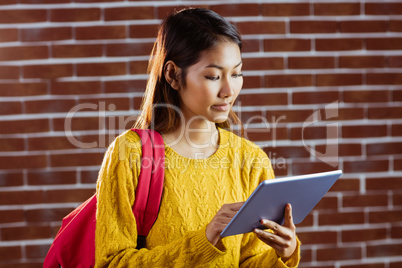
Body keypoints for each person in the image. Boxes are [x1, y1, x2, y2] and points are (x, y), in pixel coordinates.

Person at [95, 7, 300, 267]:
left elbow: (249, 260)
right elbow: (110, 263)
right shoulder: (131, 153)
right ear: (172, 75)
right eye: (213, 76)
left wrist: (282, 254)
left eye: (236, 73)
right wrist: (205, 240)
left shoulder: (250, 159)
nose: (229, 90)